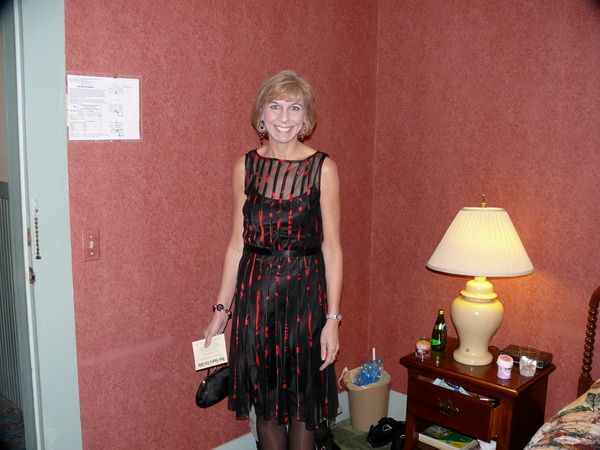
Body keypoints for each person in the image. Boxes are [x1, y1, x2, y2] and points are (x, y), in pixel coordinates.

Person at [204, 70, 342, 450]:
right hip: (257, 298)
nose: (284, 117)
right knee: (265, 405)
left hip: (305, 297)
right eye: (275, 106)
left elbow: (332, 248)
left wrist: (332, 320)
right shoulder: (245, 167)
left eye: (294, 107)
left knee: (302, 403)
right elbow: (237, 244)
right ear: (261, 114)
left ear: (306, 116)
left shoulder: (323, 168)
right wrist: (221, 310)